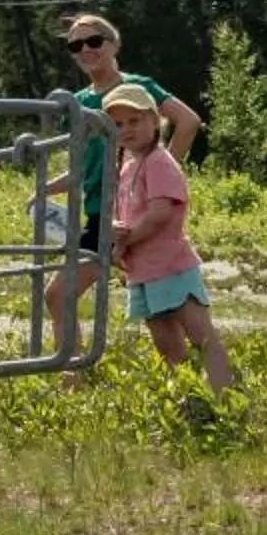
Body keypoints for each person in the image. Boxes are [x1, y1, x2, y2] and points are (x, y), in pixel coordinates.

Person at [42, 13, 200, 358]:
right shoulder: (80, 102)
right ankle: (74, 378)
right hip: (101, 216)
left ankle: (205, 379)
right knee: (59, 295)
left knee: (166, 307)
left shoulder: (135, 87)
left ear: (114, 44)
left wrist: (159, 173)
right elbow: (83, 167)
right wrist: (45, 188)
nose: (86, 49)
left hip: (139, 218)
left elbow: (187, 121)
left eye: (94, 41)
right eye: (75, 45)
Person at [103, 82, 234, 394]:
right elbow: (125, 212)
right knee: (165, 343)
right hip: (143, 271)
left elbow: (160, 214)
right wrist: (115, 229)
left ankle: (228, 398)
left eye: (135, 121)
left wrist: (126, 241)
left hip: (171, 266)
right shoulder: (127, 167)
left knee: (201, 335)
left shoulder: (159, 162)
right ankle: (190, 400)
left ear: (155, 120)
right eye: (118, 124)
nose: (127, 130)